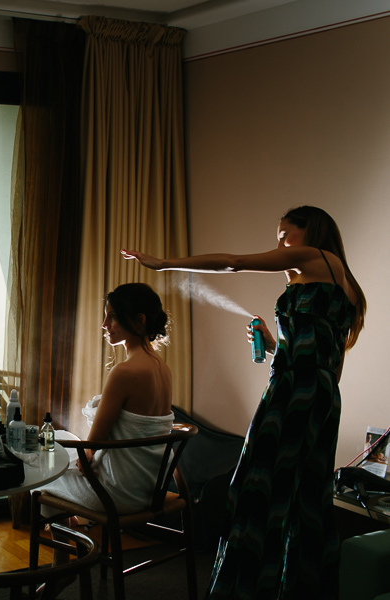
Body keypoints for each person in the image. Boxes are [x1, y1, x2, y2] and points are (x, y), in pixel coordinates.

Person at [122, 205, 366, 599]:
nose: (280, 244)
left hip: (292, 397)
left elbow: (233, 263)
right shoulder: (342, 283)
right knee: (301, 498)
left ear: (311, 233)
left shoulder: (315, 258)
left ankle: (250, 588)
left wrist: (164, 263)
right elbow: (321, 364)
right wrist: (274, 346)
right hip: (318, 398)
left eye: (285, 234)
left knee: (257, 490)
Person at [38, 283, 174, 531]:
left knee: (39, 464)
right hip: (150, 488)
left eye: (112, 317)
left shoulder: (125, 372)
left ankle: (64, 552)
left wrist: (85, 457)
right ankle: (69, 537)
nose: (104, 324)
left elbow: (92, 446)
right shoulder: (162, 368)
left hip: (118, 495)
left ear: (139, 320)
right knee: (57, 437)